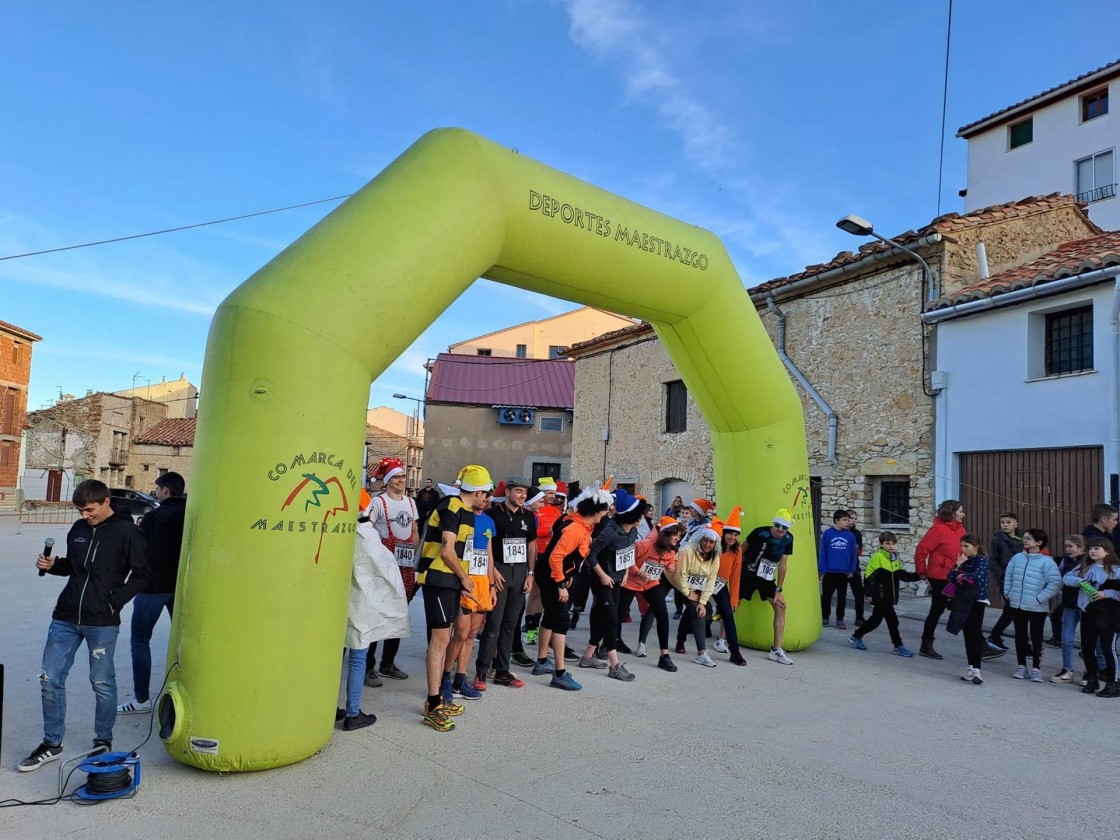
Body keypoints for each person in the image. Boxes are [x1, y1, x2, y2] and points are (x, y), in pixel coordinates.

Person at [20, 480, 149, 772]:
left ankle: (103, 740)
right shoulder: (78, 530)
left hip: (102, 621)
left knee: (101, 683)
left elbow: (142, 575)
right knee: (49, 679)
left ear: (105, 502)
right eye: (80, 510)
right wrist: (53, 565)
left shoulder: (128, 532)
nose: (84, 516)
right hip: (65, 617)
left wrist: (115, 601)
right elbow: (75, 569)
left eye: (89, 510)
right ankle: (52, 743)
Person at [416, 464, 491, 732]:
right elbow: (448, 551)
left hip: (451, 583)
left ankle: (436, 698)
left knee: (445, 639)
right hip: (438, 579)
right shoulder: (450, 506)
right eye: (487, 493)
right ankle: (433, 703)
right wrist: (465, 578)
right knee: (439, 642)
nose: (488, 498)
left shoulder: (468, 513)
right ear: (479, 491)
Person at [116, 471, 186, 716]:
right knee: (184, 642)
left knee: (139, 641)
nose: (156, 493)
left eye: (157, 489)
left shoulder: (154, 518)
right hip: (181, 588)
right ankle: (187, 692)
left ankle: (142, 699)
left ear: (165, 490)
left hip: (153, 587)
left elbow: (139, 554)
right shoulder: (193, 514)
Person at [336, 506, 412, 732]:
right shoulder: (367, 534)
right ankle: (352, 713)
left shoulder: (336, 530)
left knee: (333, 660)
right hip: (360, 605)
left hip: (335, 604)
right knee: (358, 659)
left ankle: (328, 709)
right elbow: (383, 571)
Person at [533, 485, 613, 691]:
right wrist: (561, 583)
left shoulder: (579, 523)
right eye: (604, 510)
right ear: (595, 511)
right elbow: (556, 557)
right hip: (552, 575)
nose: (606, 513)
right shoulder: (575, 528)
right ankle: (559, 673)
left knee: (551, 617)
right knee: (561, 621)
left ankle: (542, 660)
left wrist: (566, 575)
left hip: (554, 574)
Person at [474, 477, 536, 690]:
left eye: (525, 493)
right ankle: (481, 672)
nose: (522, 496)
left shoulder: (528, 516)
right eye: (519, 491)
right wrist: (492, 572)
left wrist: (530, 574)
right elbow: (485, 546)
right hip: (498, 570)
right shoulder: (492, 515)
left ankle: (502, 670)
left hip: (519, 572)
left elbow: (532, 546)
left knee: (511, 625)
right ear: (508, 492)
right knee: (493, 625)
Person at [363, 457, 420, 686]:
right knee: (378, 613)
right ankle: (368, 666)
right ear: (387, 480)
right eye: (396, 477)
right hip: (384, 564)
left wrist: (412, 549)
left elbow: (414, 529)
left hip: (404, 566)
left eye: (402, 477)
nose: (401, 481)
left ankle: (388, 663)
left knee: (399, 614)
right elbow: (367, 528)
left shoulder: (410, 502)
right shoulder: (378, 502)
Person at [580, 489, 647, 682]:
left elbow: (627, 553)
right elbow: (590, 555)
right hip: (601, 579)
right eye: (640, 514)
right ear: (631, 515)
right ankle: (615, 665)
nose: (642, 518)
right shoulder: (609, 532)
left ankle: (587, 657)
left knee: (608, 617)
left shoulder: (632, 531)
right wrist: (602, 575)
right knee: (611, 620)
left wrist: (627, 572)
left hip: (617, 578)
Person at [447, 491, 498, 702]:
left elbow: (489, 554)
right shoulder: (461, 515)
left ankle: (460, 679)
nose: (486, 499)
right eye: (483, 494)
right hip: (463, 579)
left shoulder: (488, 522)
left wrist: (492, 584)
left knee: (471, 634)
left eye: (489, 496)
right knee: (460, 632)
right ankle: (445, 679)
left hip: (482, 582)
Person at [619, 517, 683, 671]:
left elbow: (670, 560)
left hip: (651, 583)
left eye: (679, 535)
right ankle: (610, 643)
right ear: (665, 534)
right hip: (631, 582)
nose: (677, 538)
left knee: (662, 615)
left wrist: (671, 567)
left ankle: (664, 656)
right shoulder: (645, 544)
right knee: (618, 614)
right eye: (675, 535)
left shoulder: (671, 548)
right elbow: (625, 557)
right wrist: (638, 572)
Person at [1003, 529, 1061, 683]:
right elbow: (1008, 575)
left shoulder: (1047, 562)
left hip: (1037, 607)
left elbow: (1055, 583)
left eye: (1029, 538)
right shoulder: (1017, 558)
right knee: (1020, 636)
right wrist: (1008, 592)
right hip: (1017, 605)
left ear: (1039, 542)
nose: (1025, 540)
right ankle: (1021, 665)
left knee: (1037, 638)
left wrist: (1038, 598)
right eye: (1025, 538)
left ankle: (1036, 668)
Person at [848, 531, 919, 657]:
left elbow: (902, 575)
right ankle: (898, 646)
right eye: (887, 543)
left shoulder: (895, 558)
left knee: (876, 620)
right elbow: (869, 576)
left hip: (889, 596)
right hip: (880, 595)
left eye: (893, 543)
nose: (891, 546)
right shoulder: (877, 557)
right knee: (892, 621)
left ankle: (856, 636)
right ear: (882, 544)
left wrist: (918, 576)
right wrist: (868, 593)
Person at [1064, 537, 1120, 697]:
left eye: (1097, 548)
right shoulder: (1085, 566)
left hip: (1110, 615)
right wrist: (1081, 582)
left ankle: (1113, 683)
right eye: (1091, 548)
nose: (1092, 551)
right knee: (1087, 648)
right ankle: (1092, 678)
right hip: (1088, 612)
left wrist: (1106, 593)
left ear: (1107, 551)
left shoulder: (1116, 570)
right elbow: (1067, 578)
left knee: (1108, 648)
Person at [741, 509, 796, 665]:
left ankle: (776, 649)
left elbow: (783, 565)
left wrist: (778, 590)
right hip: (748, 574)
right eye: (778, 525)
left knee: (780, 607)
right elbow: (741, 549)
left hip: (766, 578)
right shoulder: (760, 533)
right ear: (773, 523)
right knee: (734, 604)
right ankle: (722, 640)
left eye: (784, 527)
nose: (780, 530)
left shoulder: (788, 539)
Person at [914, 499, 967, 660]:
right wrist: (921, 571)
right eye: (960, 511)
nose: (963, 514)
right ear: (951, 513)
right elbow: (921, 550)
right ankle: (926, 644)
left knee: (963, 608)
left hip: (957, 575)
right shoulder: (937, 530)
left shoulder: (961, 530)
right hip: (939, 577)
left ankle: (980, 644)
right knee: (937, 610)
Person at [671, 522, 721, 667]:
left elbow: (711, 580)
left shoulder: (715, 557)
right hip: (682, 587)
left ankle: (681, 640)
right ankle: (701, 653)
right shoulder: (687, 551)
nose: (707, 544)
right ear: (700, 539)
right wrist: (688, 593)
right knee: (697, 613)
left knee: (696, 611)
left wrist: (703, 602)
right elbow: (680, 575)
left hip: (698, 589)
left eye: (711, 542)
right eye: (705, 540)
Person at [942, 534, 990, 684]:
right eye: (961, 546)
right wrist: (958, 564)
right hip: (963, 600)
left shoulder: (982, 560)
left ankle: (977, 670)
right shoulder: (963, 560)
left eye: (966, 546)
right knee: (967, 634)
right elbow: (950, 577)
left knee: (975, 633)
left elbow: (978, 576)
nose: (963, 549)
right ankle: (970, 668)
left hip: (977, 600)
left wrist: (962, 576)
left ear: (975, 547)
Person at [711, 507, 746, 666]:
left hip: (719, 585)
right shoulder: (714, 544)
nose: (732, 537)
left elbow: (735, 576)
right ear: (724, 533)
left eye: (736, 534)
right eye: (730, 533)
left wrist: (734, 600)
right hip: (704, 580)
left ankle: (735, 652)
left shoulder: (737, 551)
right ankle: (681, 639)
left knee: (728, 615)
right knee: (694, 610)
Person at [1051, 535, 1087, 683]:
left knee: (1088, 641)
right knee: (1066, 639)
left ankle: (1090, 672)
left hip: (1086, 605)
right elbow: (1059, 579)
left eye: (1070, 546)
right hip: (1069, 604)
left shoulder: (1088, 561)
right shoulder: (1065, 561)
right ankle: (1067, 669)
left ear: (1081, 548)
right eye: (1066, 546)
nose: (1067, 549)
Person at [985, 512, 1022, 654]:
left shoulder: (1021, 539)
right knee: (1013, 610)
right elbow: (993, 561)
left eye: (1008, 522)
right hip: (1006, 580)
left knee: (1011, 611)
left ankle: (995, 635)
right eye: (1002, 522)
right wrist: (1002, 578)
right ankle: (997, 636)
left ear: (1016, 524)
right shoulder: (998, 539)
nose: (1005, 525)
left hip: (1020, 579)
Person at [819, 509, 858, 630]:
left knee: (842, 598)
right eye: (844, 520)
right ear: (837, 520)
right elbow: (822, 552)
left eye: (848, 520)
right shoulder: (827, 534)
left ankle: (840, 619)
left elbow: (853, 554)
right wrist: (822, 569)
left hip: (844, 572)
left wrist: (852, 570)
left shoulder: (850, 536)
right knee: (826, 596)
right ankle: (824, 617)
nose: (847, 522)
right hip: (830, 572)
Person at [846, 510, 867, 627]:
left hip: (854, 566)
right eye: (851, 518)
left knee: (859, 593)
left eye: (855, 518)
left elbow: (859, 551)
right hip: (840, 567)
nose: (853, 520)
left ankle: (860, 617)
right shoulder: (839, 532)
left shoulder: (857, 534)